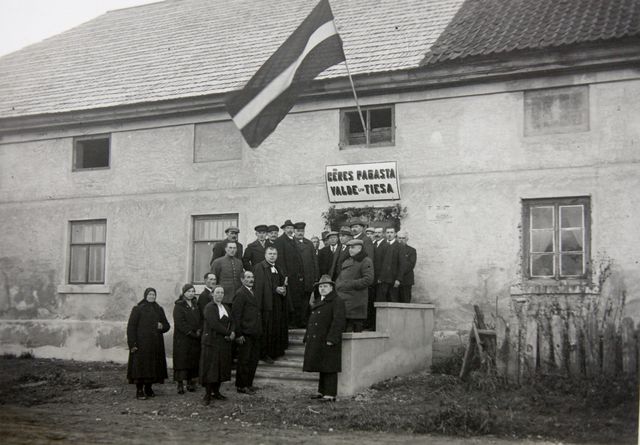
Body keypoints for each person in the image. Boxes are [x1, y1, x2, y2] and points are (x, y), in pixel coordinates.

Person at [303, 275, 346, 402]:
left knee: (329, 366)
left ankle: (330, 394)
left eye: (325, 286)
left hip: (328, 338)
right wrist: (306, 337)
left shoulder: (337, 301)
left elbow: (338, 321)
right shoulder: (319, 300)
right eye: (320, 286)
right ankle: (322, 391)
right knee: (322, 365)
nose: (322, 289)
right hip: (319, 338)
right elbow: (311, 321)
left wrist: (332, 338)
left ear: (331, 288)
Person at [127, 287, 171, 400]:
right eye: (150, 294)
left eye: (153, 295)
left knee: (153, 367)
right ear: (145, 295)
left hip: (155, 344)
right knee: (141, 367)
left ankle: (148, 388)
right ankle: (139, 390)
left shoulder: (159, 309)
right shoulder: (138, 309)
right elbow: (131, 327)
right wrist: (132, 344)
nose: (152, 296)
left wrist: (162, 326)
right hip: (142, 344)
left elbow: (167, 325)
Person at [200, 286, 235, 405]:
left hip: (223, 342)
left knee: (221, 368)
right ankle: (207, 394)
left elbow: (232, 321)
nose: (220, 294)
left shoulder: (226, 307)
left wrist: (232, 332)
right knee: (211, 369)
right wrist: (228, 333)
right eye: (217, 292)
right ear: (212, 294)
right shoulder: (209, 307)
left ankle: (216, 392)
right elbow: (214, 324)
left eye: (222, 292)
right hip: (212, 342)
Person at [253, 246, 288, 363]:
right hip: (265, 304)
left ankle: (274, 352)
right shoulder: (259, 267)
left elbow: (282, 283)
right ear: (265, 255)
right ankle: (264, 354)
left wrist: (283, 289)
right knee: (266, 328)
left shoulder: (278, 268)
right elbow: (259, 287)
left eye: (274, 254)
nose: (272, 256)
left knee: (275, 327)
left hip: (277, 303)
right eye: (270, 254)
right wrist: (275, 289)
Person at [232, 271, 262, 395]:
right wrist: (239, 334)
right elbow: (236, 315)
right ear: (242, 279)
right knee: (244, 360)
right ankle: (241, 385)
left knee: (253, 360)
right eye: (248, 277)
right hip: (245, 333)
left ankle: (249, 384)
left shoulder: (253, 292)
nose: (251, 279)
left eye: (252, 277)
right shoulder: (240, 293)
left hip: (255, 332)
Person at [335, 239, 374, 333]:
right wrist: (338, 284)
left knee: (354, 332)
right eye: (349, 248)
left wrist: (349, 284)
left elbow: (368, 280)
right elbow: (341, 277)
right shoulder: (347, 260)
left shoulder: (366, 261)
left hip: (356, 302)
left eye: (352, 247)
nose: (350, 250)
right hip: (344, 300)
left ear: (359, 248)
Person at [172, 284, 202, 394]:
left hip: (194, 339)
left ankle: (190, 382)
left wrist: (199, 330)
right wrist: (191, 332)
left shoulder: (196, 305)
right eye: (189, 291)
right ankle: (180, 384)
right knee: (181, 361)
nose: (191, 293)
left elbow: (200, 319)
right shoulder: (179, 305)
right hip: (183, 338)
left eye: (193, 291)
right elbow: (180, 323)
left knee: (192, 360)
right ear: (184, 293)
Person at [274, 219, 304, 327]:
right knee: (287, 299)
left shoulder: (293, 240)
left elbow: (298, 259)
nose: (290, 230)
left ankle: (295, 322)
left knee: (295, 299)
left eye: (291, 228)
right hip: (287, 276)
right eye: (288, 228)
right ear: (284, 229)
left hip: (295, 276)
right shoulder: (280, 241)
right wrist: (284, 275)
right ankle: (288, 323)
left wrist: (300, 273)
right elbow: (280, 260)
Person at [293, 221, 319, 327]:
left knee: (305, 300)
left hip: (308, 278)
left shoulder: (309, 243)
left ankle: (303, 321)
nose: (300, 233)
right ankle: (295, 321)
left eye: (302, 231)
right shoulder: (291, 243)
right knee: (296, 300)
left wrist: (316, 277)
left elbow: (314, 261)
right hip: (296, 278)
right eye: (298, 231)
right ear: (294, 231)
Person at [376, 227, 407, 303]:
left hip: (393, 280)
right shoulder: (382, 246)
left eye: (391, 232)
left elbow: (402, 264)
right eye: (388, 232)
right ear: (385, 234)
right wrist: (379, 277)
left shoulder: (400, 246)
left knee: (393, 301)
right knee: (381, 301)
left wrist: (398, 279)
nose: (389, 234)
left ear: (395, 234)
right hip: (382, 280)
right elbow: (378, 263)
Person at [211, 241, 244, 305]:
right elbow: (213, 280)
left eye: (234, 248)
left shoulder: (239, 262)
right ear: (226, 249)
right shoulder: (217, 262)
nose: (232, 250)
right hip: (224, 296)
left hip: (237, 296)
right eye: (230, 248)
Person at [397, 230, 417, 303]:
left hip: (406, 281)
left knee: (405, 301)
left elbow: (410, 265)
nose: (401, 240)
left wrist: (398, 275)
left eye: (403, 238)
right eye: (399, 238)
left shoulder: (411, 250)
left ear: (407, 239)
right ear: (397, 239)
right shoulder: (392, 249)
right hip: (393, 281)